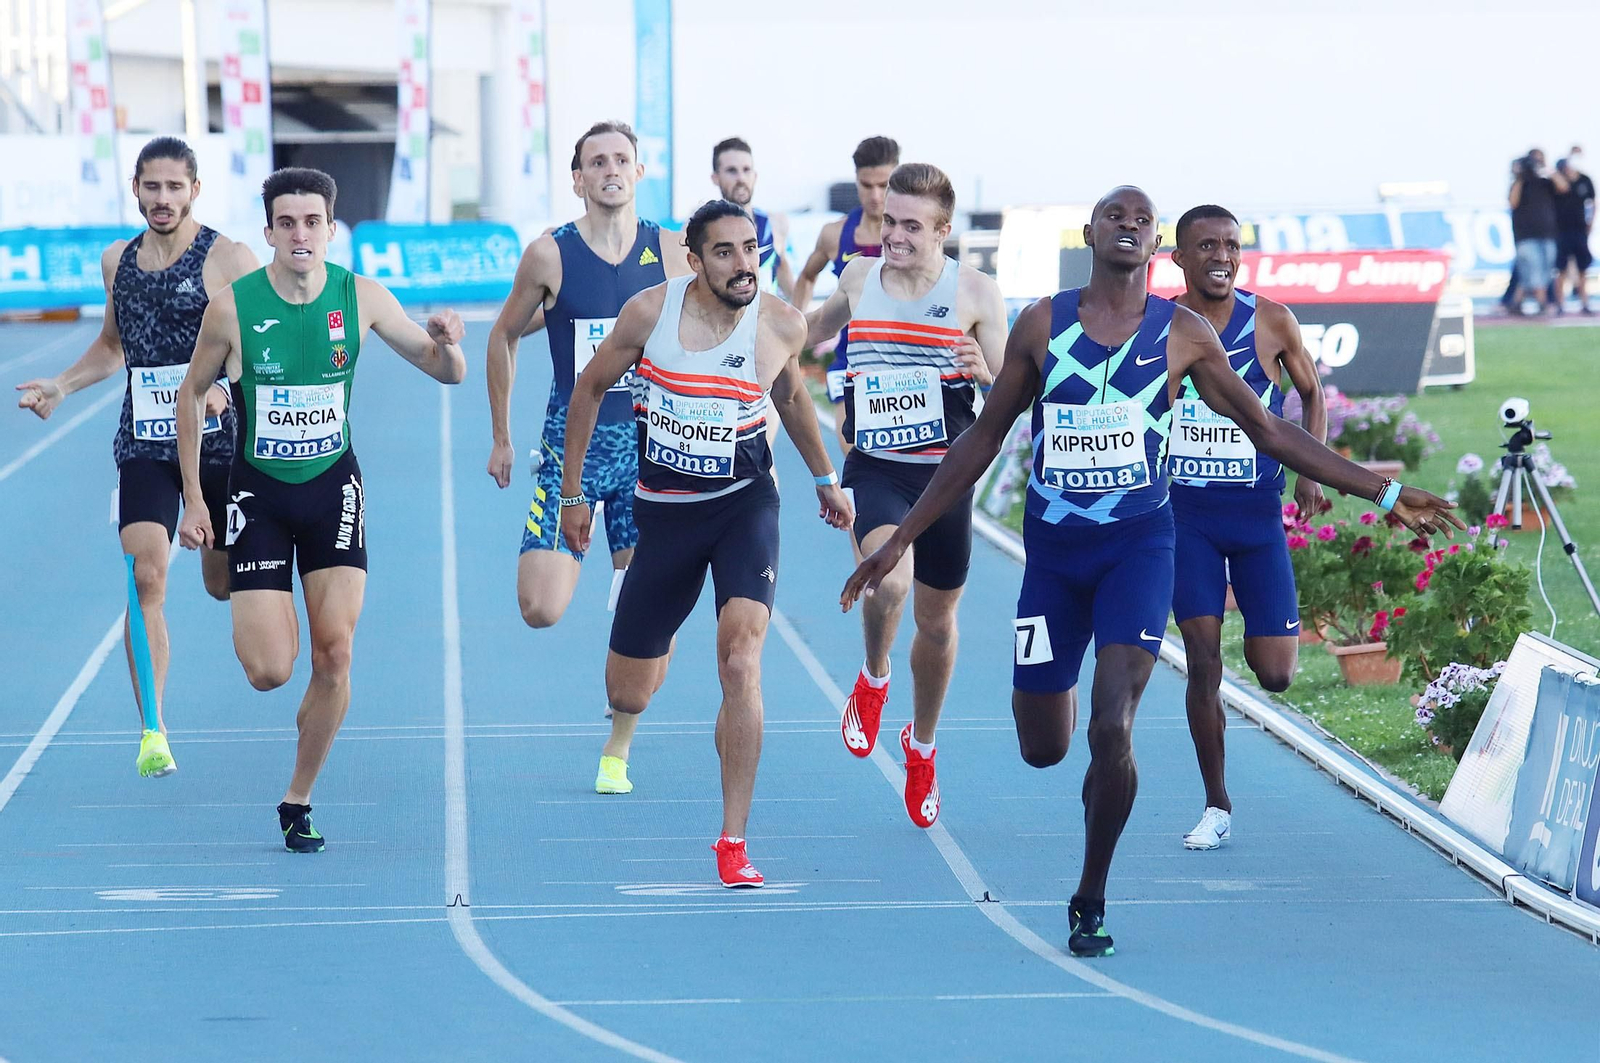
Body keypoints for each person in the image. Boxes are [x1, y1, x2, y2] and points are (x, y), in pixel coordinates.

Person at [841, 186, 1461, 957]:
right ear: (1091, 233)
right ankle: (1092, 766)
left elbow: (1268, 428)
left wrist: (1385, 489)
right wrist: (902, 534)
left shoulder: (1184, 336)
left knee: (1114, 724)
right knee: (1044, 745)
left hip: (1140, 548)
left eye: (1142, 220)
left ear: (1153, 240)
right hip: (1056, 561)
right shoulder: (1045, 323)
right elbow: (980, 441)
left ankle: (1091, 893)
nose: (1128, 226)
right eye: (1115, 216)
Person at [559, 199, 853, 886]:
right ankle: (645, 685)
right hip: (663, 517)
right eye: (724, 251)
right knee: (627, 688)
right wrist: (574, 497)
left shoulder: (780, 321)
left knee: (741, 660)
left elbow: (790, 397)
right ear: (695, 260)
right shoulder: (648, 314)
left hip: (744, 509)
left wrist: (824, 478)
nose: (742, 263)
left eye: (749, 248)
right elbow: (589, 389)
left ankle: (733, 838)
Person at [175, 167, 466, 852]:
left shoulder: (359, 296)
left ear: (330, 228)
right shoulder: (232, 307)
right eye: (287, 223)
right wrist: (193, 498)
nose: (300, 234)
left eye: (313, 222)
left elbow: (445, 370)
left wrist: (449, 339)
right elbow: (191, 396)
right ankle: (233, 583)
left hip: (334, 487)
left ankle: (297, 796)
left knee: (335, 656)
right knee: (270, 670)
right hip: (258, 495)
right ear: (269, 230)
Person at [16, 136, 257, 778]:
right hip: (146, 443)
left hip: (220, 443)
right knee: (146, 574)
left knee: (220, 581)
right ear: (135, 189)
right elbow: (110, 345)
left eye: (175, 187)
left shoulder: (229, 257)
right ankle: (154, 729)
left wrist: (220, 391)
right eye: (152, 186)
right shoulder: (116, 261)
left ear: (196, 190)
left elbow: (261, 348)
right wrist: (59, 387)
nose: (163, 198)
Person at [804, 163, 1007, 828]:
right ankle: (873, 675)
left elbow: (1012, 389)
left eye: (910, 226)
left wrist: (987, 371)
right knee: (889, 579)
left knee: (939, 623)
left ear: (945, 231)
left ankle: (921, 746)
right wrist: (743, 327)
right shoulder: (860, 278)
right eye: (889, 221)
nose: (892, 235)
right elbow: (807, 332)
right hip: (877, 469)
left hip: (945, 477)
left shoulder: (976, 293)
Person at [485, 120, 691, 647]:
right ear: (578, 180)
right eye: (597, 162)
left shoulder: (671, 250)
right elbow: (504, 334)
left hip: (651, 450)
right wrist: (502, 437)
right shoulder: (550, 254)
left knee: (651, 615)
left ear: (639, 172)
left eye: (621, 160)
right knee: (540, 607)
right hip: (571, 450)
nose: (611, 170)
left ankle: (623, 714)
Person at [1165, 204, 1327, 850]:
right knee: (1203, 662)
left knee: (1276, 671)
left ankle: (1257, 651)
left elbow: (1311, 393)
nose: (1222, 256)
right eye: (1206, 246)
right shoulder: (1164, 328)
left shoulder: (1271, 321)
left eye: (1230, 245)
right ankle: (1217, 801)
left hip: (1257, 518)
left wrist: (1310, 472)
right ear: (1179, 258)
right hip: (1187, 519)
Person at [793, 136, 898, 454]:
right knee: (854, 463)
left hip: (901, 363)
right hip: (850, 360)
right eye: (867, 185)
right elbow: (807, 276)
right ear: (856, 181)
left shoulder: (912, 237)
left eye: (884, 184)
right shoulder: (835, 234)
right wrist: (793, 334)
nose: (876, 195)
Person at [711, 137, 794, 299]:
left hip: (766, 321)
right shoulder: (703, 228)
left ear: (755, 176)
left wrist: (802, 316)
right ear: (715, 178)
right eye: (731, 171)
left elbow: (781, 269)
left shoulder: (776, 223)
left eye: (746, 170)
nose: (741, 178)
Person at [1509, 148, 1570, 315]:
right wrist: (1521, 176)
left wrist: (1548, 169)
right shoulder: (1521, 182)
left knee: (1543, 270)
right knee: (1533, 269)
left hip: (1548, 233)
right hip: (1526, 235)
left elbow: (1564, 187)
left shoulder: (1546, 181)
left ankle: (1516, 302)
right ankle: (1543, 305)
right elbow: (1512, 202)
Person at [1553, 157, 1595, 315]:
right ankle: (1560, 303)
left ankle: (1584, 301)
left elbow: (1591, 202)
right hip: (1561, 232)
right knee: (1560, 269)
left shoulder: (1584, 180)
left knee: (1583, 269)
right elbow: (1562, 189)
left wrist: (1590, 223)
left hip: (1579, 231)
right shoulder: (1557, 182)